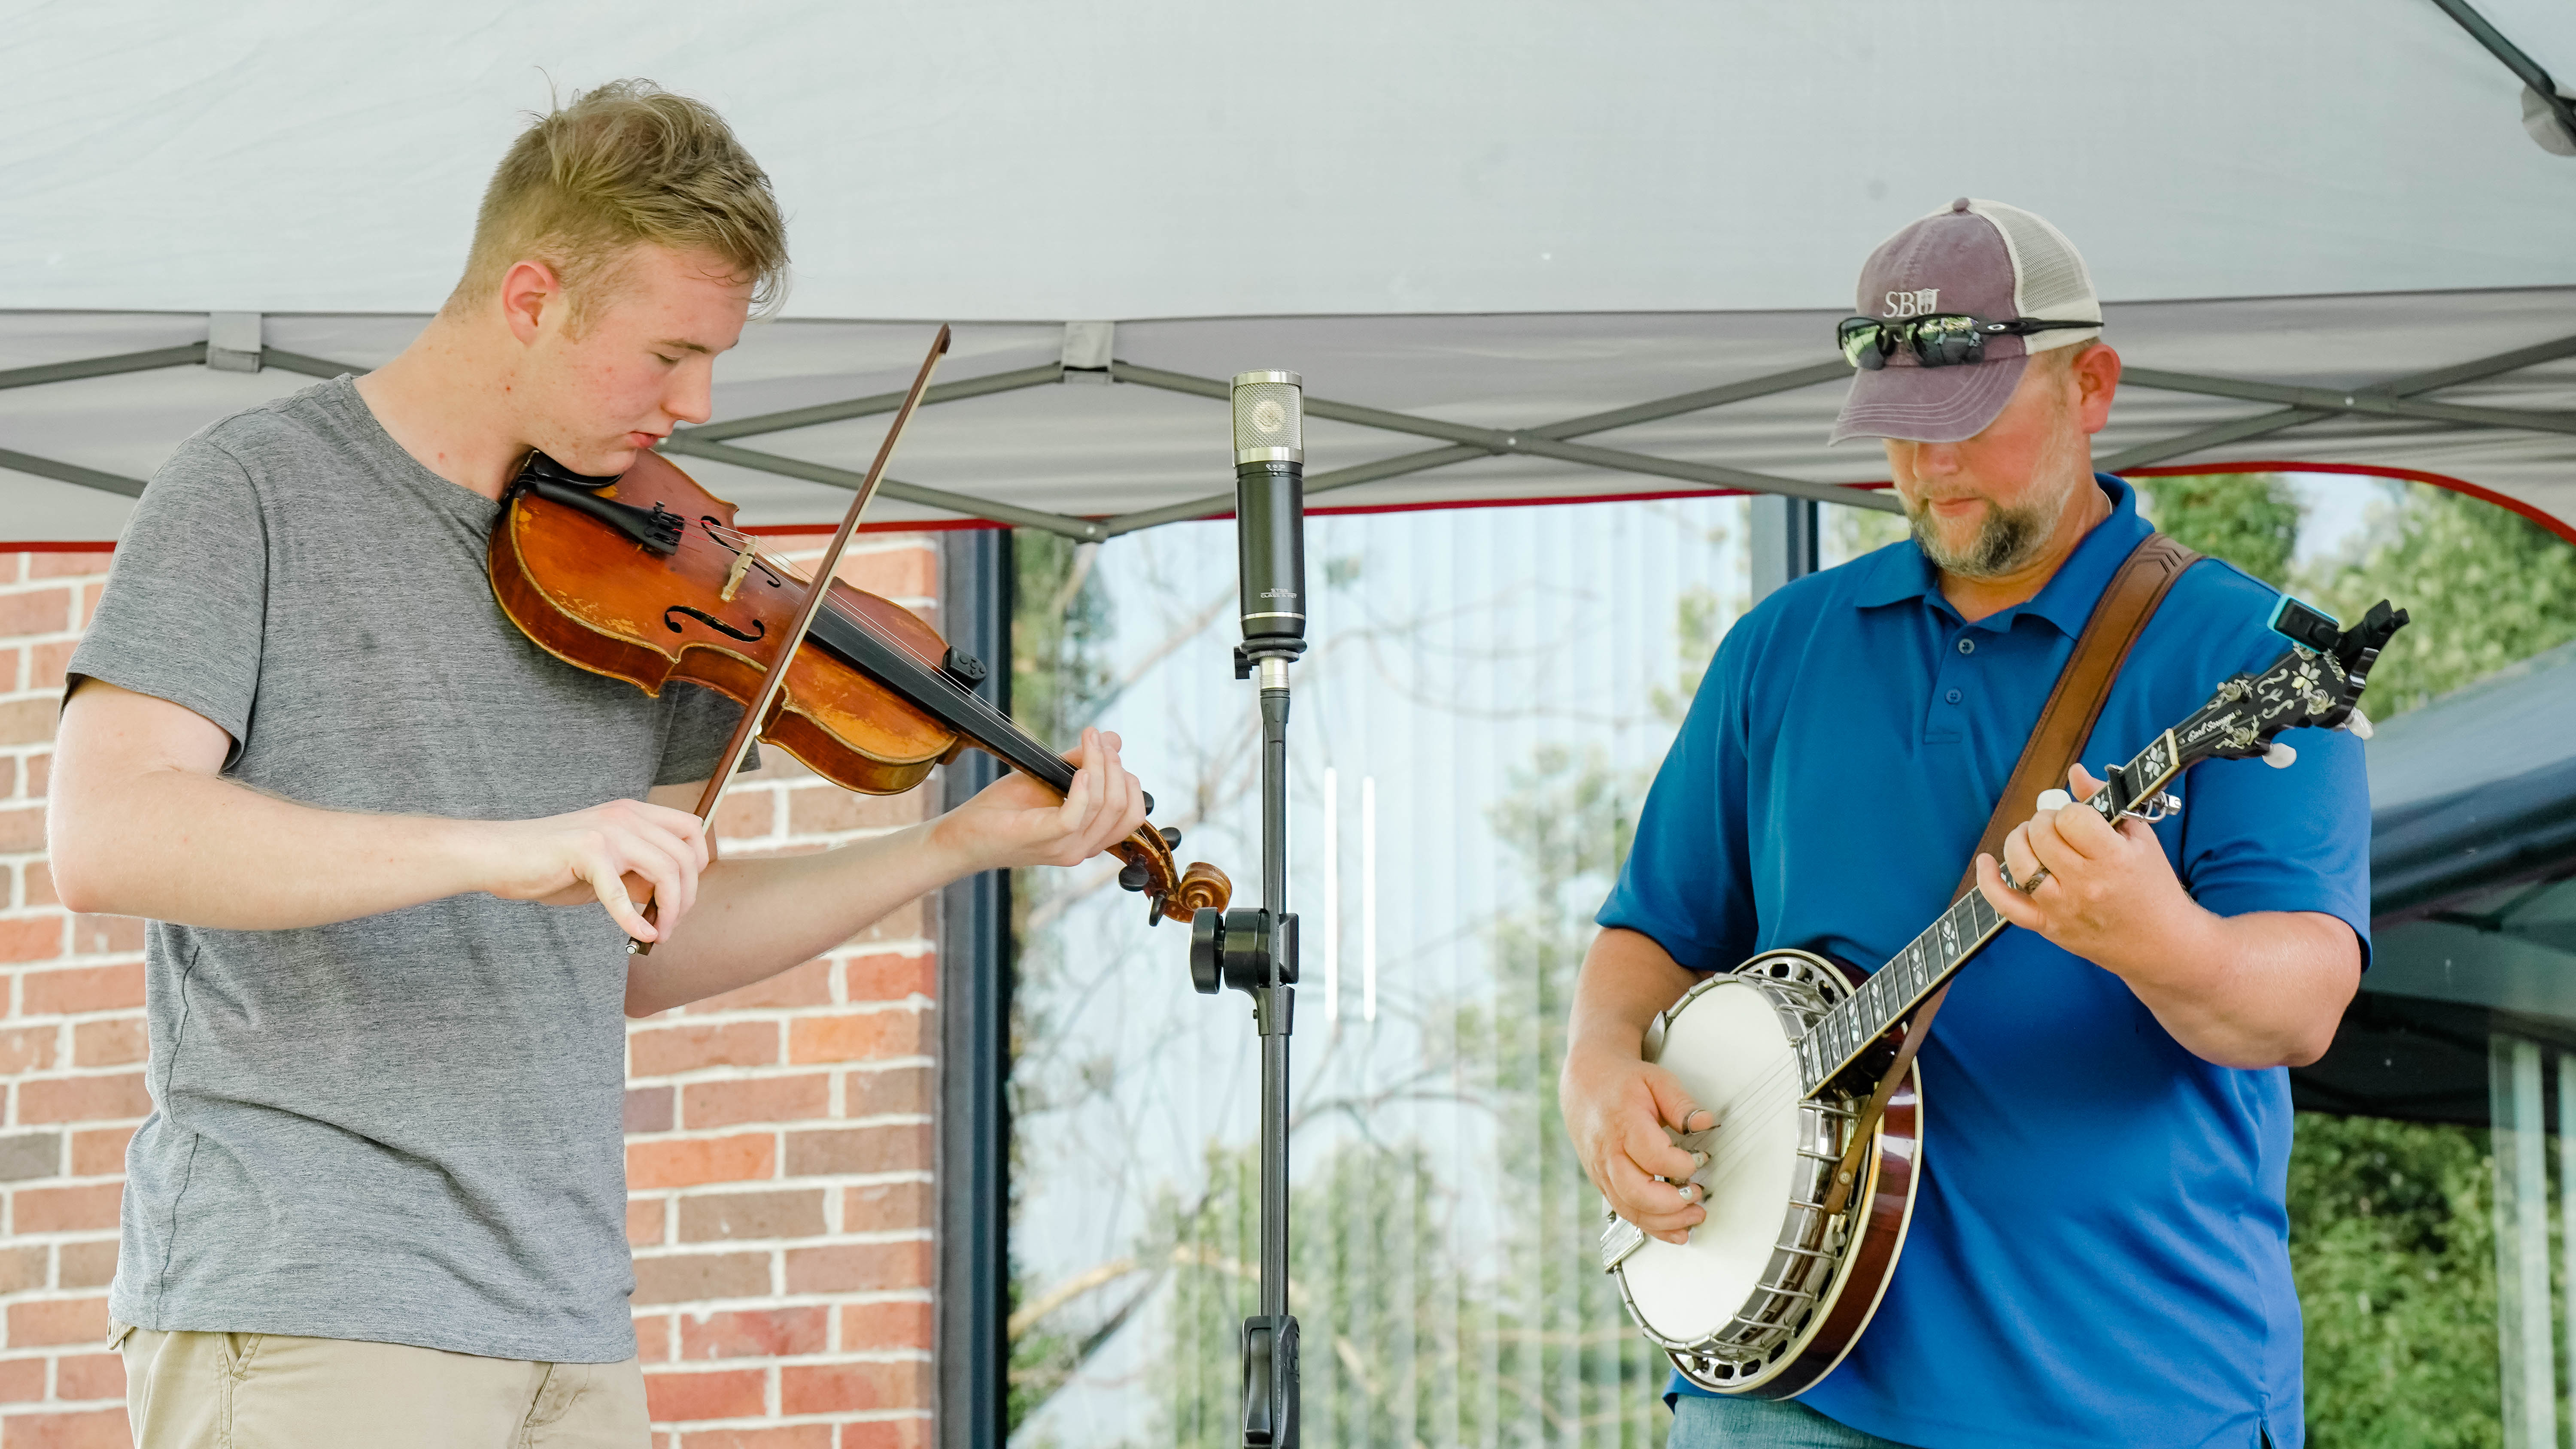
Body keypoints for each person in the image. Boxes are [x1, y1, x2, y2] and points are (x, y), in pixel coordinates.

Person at [47, 81, 1147, 1448]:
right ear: (529, 299)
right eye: (669, 353)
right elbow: (107, 838)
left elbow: (646, 943)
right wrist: (510, 848)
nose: (696, 404)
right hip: (311, 1303)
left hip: (573, 1327)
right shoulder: (252, 490)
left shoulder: (657, 570)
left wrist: (951, 846)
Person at [1560, 199, 2369, 1449]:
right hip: (1788, 1395)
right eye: (1899, 430)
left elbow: (2300, 1005)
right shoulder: (1784, 648)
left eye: (1970, 422)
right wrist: (1602, 1076)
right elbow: (1650, 939)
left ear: (2091, 386)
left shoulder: (2244, 655)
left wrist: (2155, 938)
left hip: (2135, 1398)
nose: (1928, 470)